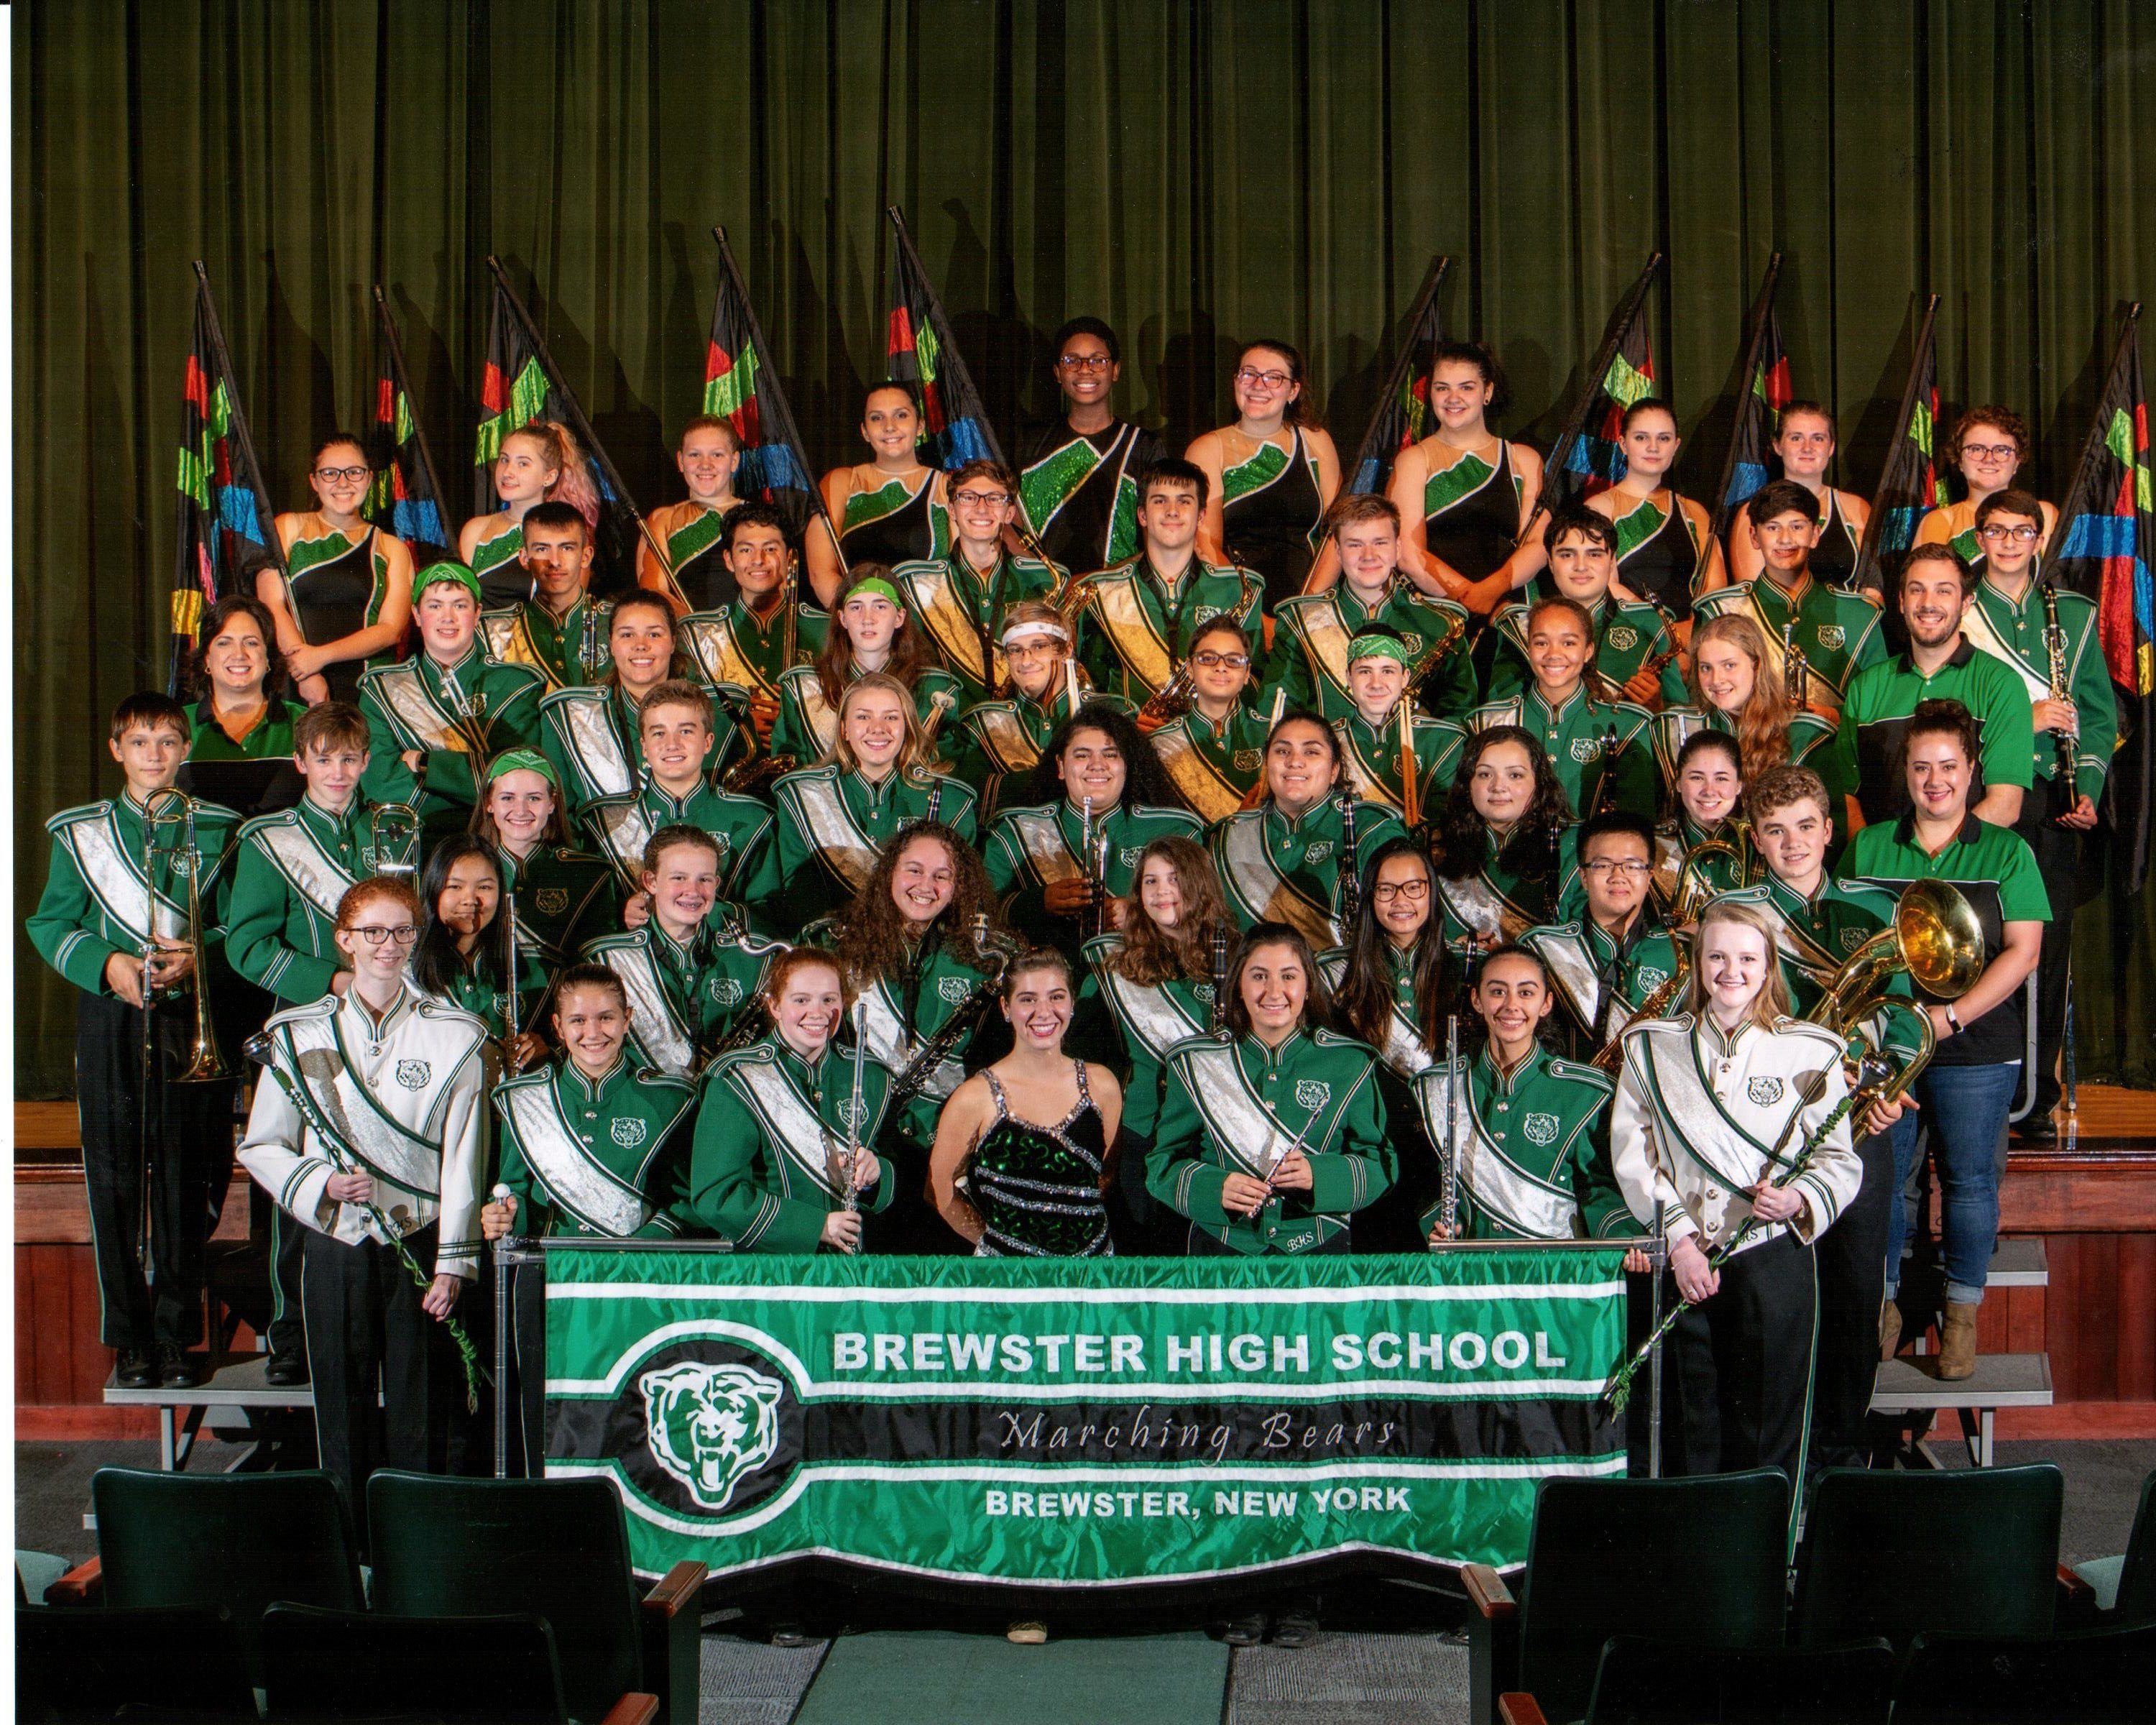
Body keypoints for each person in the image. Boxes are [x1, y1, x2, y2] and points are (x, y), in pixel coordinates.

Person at [236, 876, 488, 1512]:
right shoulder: (293, 1033)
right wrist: (319, 1181)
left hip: (421, 1240)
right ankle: (348, 1551)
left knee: (421, 1408)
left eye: (402, 931)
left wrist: (454, 1262)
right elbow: (261, 1145)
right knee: (340, 1413)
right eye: (372, 932)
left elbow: (464, 1160)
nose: (388, 945)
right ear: (344, 939)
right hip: (334, 1239)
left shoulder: (457, 1035)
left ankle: (417, 1548)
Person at [28, 694, 244, 1390]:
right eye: (141, 741)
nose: (155, 754)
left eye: (169, 741)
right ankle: (130, 1335)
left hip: (192, 1014)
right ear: (117, 749)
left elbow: (236, 926)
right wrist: (109, 965)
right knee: (116, 1177)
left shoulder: (221, 830)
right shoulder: (80, 833)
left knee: (193, 1173)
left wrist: (197, 958)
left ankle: (180, 1332)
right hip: (111, 1013)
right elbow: (52, 925)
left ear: (187, 751)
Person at [1609, 898, 1860, 1480]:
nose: (1731, 970)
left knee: (1767, 1431)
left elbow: (1838, 1161)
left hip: (1772, 1257)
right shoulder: (1650, 1047)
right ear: (1697, 964)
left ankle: (1762, 1565)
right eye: (1717, 956)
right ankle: (1696, 1565)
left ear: (1769, 967)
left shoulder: (1813, 1050)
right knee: (1689, 1428)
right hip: (1686, 1258)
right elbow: (1634, 1156)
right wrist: (1679, 1241)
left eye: (1747, 958)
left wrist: (1797, 1199)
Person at [1726, 763, 1928, 1470]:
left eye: (1806, 827)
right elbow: (1720, 1020)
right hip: (1766, 1134)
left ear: (1829, 829)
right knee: (1773, 1291)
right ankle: (1774, 1457)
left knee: (1853, 1286)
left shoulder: (1875, 910)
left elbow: (1904, 1017)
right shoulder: (1737, 912)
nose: (1793, 844)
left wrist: (1884, 1084)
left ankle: (1841, 1452)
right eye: (1776, 831)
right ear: (1756, 837)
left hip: (1857, 1124)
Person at [1838, 700, 2047, 1379]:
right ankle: (1885, 1307)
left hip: (1975, 1043)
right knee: (1887, 1183)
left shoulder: (2006, 850)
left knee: (1969, 1182)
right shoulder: (1870, 847)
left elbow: (2023, 953)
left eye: (1948, 767)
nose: (1935, 780)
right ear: (1905, 771)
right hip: (1888, 1045)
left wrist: (1948, 1018)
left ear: (1972, 771)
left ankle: (1961, 1317)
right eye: (1922, 766)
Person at [479, 964, 701, 1471]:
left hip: (637, 1281)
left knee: (635, 1411)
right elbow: (512, 1186)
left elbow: (688, 1200)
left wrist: (639, 1249)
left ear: (628, 1020)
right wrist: (502, 1216)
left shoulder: (669, 1099)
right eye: (577, 1021)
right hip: (551, 1280)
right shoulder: (526, 1099)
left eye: (606, 1018)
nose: (592, 1032)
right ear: (557, 1027)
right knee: (549, 1410)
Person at [1960, 487, 2114, 1141]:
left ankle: (2038, 1095)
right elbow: (1950, 709)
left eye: (2023, 532)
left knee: (2044, 952)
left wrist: (2088, 790)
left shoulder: (2074, 615)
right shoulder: (1960, 609)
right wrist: (2024, 722)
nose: (2009, 544)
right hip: (1986, 795)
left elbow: (2100, 716)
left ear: (2039, 539)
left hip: (2054, 797)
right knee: (1983, 942)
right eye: (1996, 531)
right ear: (1980, 536)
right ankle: (1982, 1086)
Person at [824, 823, 1010, 1248]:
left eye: (942, 876)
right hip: (859, 1150)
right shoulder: (835, 942)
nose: (926, 886)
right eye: (914, 870)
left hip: (951, 1154)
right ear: (889, 872)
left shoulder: (989, 958)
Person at [1079, 836, 1236, 1252]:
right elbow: (1084, 1066)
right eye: (1150, 881)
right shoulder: (1112, 969)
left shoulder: (1241, 960)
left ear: (1200, 884)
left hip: (1220, 1137)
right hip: (1141, 1135)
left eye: (1174, 879)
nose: (1162, 891)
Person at [1416, 944, 1626, 1243]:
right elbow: (1431, 1183)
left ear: (1546, 1003)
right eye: (1498, 992)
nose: (1511, 1005)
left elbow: (1598, 1188)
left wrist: (1626, 1239)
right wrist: (1440, 1225)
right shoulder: (1441, 1085)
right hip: (1471, 1274)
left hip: (1551, 1273)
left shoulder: (1583, 1093)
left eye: (1526, 993)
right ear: (1477, 1000)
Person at [689, 947, 895, 1251]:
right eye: (801, 1000)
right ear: (774, 1006)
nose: (818, 1013)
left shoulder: (870, 1074)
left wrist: (875, 1172)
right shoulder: (737, 1076)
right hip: (772, 1269)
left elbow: (888, 1171)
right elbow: (716, 1196)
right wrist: (816, 1226)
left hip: (851, 1268)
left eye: (829, 999)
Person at [929, 948, 1123, 1257]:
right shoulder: (975, 1097)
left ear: (1072, 1002)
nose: (1044, 1012)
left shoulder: (1103, 1085)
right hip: (1008, 1284)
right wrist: (1000, 1248)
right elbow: (942, 1193)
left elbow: (1106, 1176)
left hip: (1091, 1278)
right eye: (1028, 999)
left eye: (1056, 997)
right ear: (1006, 1007)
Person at [1833, 546, 2035, 830]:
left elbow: (2005, 805)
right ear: (1901, 601)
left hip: (1964, 870)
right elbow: (1847, 796)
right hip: (1881, 871)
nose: (1928, 603)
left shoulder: (2001, 684)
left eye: (1944, 591)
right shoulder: (1866, 687)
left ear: (1966, 602)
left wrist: (1933, 861)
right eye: (1917, 590)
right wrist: (1872, 860)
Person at [762, 673, 979, 931]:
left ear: (908, 726)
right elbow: (799, 901)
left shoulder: (953, 801)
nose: (878, 728)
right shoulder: (801, 794)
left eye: (891, 717)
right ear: (844, 729)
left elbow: (962, 899)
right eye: (863, 716)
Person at [356, 562, 549, 848]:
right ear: (417, 616)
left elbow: (518, 782)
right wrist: (476, 784)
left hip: (495, 841)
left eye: (460, 606)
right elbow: (381, 785)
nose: (447, 617)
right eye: (435, 606)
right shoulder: (380, 690)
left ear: (478, 613)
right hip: (415, 841)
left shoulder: (516, 685)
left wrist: (425, 764)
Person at [985, 704, 1203, 956]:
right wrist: (1038, 902)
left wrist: (1140, 912)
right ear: (1060, 766)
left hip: (1146, 977)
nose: (1097, 765)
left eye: (1110, 755)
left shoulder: (1175, 830)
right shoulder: (1014, 832)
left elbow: (1204, 915)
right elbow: (982, 912)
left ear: (1127, 765)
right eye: (1082, 755)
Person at [1322, 837, 1454, 1251]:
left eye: (1414, 887)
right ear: (1369, 898)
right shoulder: (1336, 978)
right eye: (1386, 889)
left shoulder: (1469, 973)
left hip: (1446, 1153)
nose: (1401, 900)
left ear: (1432, 893)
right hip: (1368, 1151)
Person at [583, 826, 782, 1079]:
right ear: (651, 882)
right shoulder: (606, 960)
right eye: (679, 878)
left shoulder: (754, 956)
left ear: (717, 884)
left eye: (705, 879)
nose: (693, 891)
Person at [1066, 459, 1264, 706]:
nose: (1173, 510)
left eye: (1184, 501)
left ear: (1201, 516)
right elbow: (1090, 688)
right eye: (1160, 501)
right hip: (1127, 739)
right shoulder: (1099, 592)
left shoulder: (1238, 589)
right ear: (1142, 515)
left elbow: (1254, 683)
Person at [1208, 711, 1409, 948]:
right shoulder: (1228, 836)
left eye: (1311, 752)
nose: (1294, 761)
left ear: (1334, 770)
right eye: (1282, 751)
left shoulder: (1371, 829)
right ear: (1266, 765)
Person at [1266, 494, 1473, 723]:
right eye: (1355, 545)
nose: (1368, 556)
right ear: (1338, 552)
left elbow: (1459, 715)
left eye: (1380, 543)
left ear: (1397, 549)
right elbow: (1277, 710)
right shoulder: (1300, 621)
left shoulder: (1439, 623)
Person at [1693, 481, 1889, 722]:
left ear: (1815, 535)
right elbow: (1703, 705)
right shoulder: (1720, 610)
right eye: (1773, 528)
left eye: (1797, 527)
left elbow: (1879, 702)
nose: (1785, 539)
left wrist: (1833, 715)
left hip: (1829, 755)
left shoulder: (1859, 615)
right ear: (1754, 537)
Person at [580, 680, 773, 923]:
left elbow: (770, 914)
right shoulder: (604, 822)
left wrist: (712, 913)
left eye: (686, 731)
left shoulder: (753, 820)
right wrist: (620, 915)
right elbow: (586, 918)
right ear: (645, 747)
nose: (672, 744)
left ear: (708, 742)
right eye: (659, 733)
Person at [539, 589, 736, 816]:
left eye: (654, 635)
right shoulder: (568, 717)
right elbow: (559, 818)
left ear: (673, 642)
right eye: (627, 635)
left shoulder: (723, 715)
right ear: (611, 644)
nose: (641, 645)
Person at [1480, 507, 1688, 711]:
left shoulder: (1650, 625)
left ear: (1612, 560)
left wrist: (1657, 707)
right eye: (1567, 555)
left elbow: (1681, 715)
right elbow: (1500, 713)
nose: (1581, 566)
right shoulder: (1519, 627)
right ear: (1550, 563)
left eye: (1594, 555)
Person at [1384, 341, 1545, 607]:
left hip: (1510, 611)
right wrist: (1470, 598)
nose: (1453, 398)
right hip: (1438, 613)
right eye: (1442, 388)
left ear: (1488, 392)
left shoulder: (1523, 460)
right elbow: (1409, 555)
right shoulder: (1414, 460)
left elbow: (1538, 545)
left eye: (1466, 387)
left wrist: (1489, 595)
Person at [1468, 595, 1657, 819]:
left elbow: (1637, 822)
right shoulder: (1488, 723)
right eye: (1541, 643)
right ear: (1528, 648)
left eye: (1568, 643)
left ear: (1588, 651)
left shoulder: (1629, 725)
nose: (1554, 655)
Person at [891, 458, 1061, 704]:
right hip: (947, 730)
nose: (982, 508)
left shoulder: (1045, 579)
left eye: (994, 498)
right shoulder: (912, 582)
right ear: (952, 510)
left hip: (1024, 728)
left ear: (1009, 513)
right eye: (969, 497)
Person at [262, 434, 415, 704]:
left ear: (369, 478)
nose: (343, 483)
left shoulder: (391, 548)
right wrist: (306, 673)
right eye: (330, 473)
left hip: (368, 691)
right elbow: (271, 604)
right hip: (297, 683)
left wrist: (320, 657)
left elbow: (391, 629)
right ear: (314, 481)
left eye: (354, 472)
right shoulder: (288, 527)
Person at [1188, 340, 1341, 610]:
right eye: (1249, 373)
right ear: (1236, 381)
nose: (1259, 386)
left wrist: (1305, 607)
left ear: (1293, 390)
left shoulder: (1316, 441)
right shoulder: (1208, 449)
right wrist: (1251, 612)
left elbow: (1337, 534)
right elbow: (1206, 546)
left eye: (1274, 378)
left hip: (1310, 601)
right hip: (1235, 601)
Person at [1521, 812, 1685, 1061]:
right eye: (1603, 865)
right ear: (1584, 877)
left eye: (1632, 866)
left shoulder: (1677, 952)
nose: (1618, 876)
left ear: (1649, 877)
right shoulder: (1542, 948)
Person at [676, 502, 830, 764]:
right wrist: (738, 725)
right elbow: (679, 711)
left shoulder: (827, 628)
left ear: (790, 557)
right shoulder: (696, 634)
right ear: (729, 560)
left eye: (770, 549)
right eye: (746, 550)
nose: (758, 560)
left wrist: (799, 716)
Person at [946, 604, 1131, 821]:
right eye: (1015, 650)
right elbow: (972, 804)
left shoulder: (1114, 713)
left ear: (1066, 650)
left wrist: (1016, 784)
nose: (1026, 660)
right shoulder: (981, 724)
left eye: (1039, 646)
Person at [771, 567, 964, 766]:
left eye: (880, 607)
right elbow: (789, 774)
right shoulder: (803, 689)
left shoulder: (937, 690)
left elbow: (945, 771)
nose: (867, 619)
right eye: (856, 607)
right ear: (842, 618)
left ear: (900, 617)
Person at [1018, 317, 1165, 575]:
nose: (1085, 369)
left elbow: (1160, 535)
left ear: (1116, 371)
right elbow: (1011, 522)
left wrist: (1095, 582)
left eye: (1098, 360)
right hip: (1041, 591)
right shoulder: (1031, 441)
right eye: (1071, 360)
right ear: (1057, 373)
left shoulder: (1143, 446)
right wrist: (1041, 579)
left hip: (1117, 593)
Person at [1661, 611, 1838, 805]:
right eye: (1706, 668)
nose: (1716, 680)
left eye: (1729, 665)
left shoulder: (1805, 733)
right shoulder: (1680, 726)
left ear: (1756, 665)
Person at [1432, 727, 1575, 961]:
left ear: (1539, 781)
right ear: (1468, 782)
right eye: (1485, 774)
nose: (1498, 786)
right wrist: (1457, 952)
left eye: (1515, 775)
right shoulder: (1436, 845)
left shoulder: (1570, 848)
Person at [469, 750, 621, 970]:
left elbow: (599, 965)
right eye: (507, 798)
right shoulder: (462, 873)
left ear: (552, 803)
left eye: (534, 798)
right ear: (488, 803)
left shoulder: (590, 876)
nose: (520, 810)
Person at [811, 381, 950, 606]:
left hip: (931, 625)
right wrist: (859, 618)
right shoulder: (841, 482)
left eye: (901, 415)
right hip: (860, 628)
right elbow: (821, 573)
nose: (889, 426)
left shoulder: (947, 487)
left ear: (921, 425)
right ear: (865, 431)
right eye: (877, 418)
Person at [1585, 400, 1725, 621]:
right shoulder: (1600, 508)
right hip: (1629, 636)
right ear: (1622, 443)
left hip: (1693, 639)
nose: (1653, 447)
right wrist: (1664, 631)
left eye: (1664, 438)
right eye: (1641, 437)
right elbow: (1605, 585)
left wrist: (1694, 635)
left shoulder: (1693, 511)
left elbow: (1714, 589)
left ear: (1676, 445)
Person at [407, 838, 543, 1062]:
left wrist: (537, 1049)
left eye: (484, 887)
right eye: (455, 887)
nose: (471, 900)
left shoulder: (528, 970)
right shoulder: (403, 970)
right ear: (433, 889)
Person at [1329, 627, 1468, 828]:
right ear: (1349, 678)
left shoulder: (1444, 741)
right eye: (1365, 671)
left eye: (1387, 671)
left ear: (1405, 678)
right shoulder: (1328, 740)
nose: (1376, 684)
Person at [179, 594, 306, 815]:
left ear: (268, 659)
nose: (239, 654)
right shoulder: (177, 725)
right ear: (207, 659)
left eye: (251, 643)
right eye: (224, 643)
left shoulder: (304, 723)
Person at [1142, 617, 1275, 822]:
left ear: (1247, 673)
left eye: (1234, 660)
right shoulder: (1159, 745)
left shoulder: (1271, 734)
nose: (1221, 667)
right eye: (1208, 658)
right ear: (1189, 669)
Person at [1726, 402, 1869, 588]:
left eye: (1818, 438)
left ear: (1831, 447)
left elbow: (1870, 591)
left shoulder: (1856, 509)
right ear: (1777, 446)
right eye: (1796, 438)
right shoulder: (1753, 512)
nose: (1807, 448)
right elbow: (1751, 598)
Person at [461, 420, 600, 609]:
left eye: (523, 464)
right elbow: (464, 603)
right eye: (504, 460)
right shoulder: (476, 529)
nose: (508, 472)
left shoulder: (568, 533)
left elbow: (566, 613)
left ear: (549, 477)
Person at [477, 500, 610, 693]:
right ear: (524, 558)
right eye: (542, 549)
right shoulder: (495, 633)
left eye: (567, 548)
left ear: (586, 556)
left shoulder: (615, 625)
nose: (555, 561)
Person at [1913, 406, 2059, 566]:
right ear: (1960, 460)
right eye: (1976, 449)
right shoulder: (1939, 521)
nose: (1989, 458)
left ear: (2017, 461)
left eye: (2002, 450)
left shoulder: (2044, 514)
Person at [638, 415, 746, 612]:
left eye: (717, 455)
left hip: (745, 633)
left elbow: (775, 591)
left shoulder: (757, 518)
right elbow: (653, 591)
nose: (705, 464)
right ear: (680, 461)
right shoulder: (663, 519)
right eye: (695, 455)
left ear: (734, 461)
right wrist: (695, 628)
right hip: (688, 635)